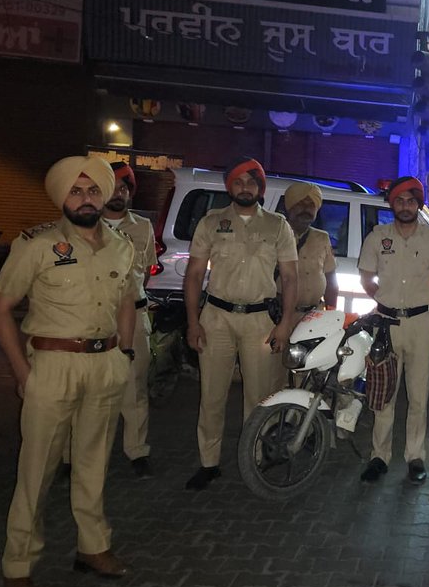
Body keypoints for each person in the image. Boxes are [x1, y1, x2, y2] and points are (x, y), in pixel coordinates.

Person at [0, 157, 137, 587]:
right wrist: (23, 373)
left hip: (104, 364)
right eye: (77, 192)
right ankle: (19, 567)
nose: (87, 199)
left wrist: (125, 353)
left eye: (94, 191)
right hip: (52, 365)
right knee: (37, 471)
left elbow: (129, 301)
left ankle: (93, 546)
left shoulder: (121, 245)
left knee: (94, 462)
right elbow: (0, 308)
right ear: (61, 198)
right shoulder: (37, 244)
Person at [183, 157, 299, 491]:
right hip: (216, 318)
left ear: (261, 188)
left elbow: (290, 278)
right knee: (212, 395)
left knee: (259, 396)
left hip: (260, 320)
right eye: (238, 182)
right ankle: (209, 463)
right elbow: (193, 274)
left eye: (251, 182)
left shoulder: (278, 226)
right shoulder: (211, 222)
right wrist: (193, 322)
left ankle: (255, 459)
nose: (245, 187)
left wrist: (285, 324)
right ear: (229, 187)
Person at [356, 176, 429, 484]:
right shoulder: (377, 236)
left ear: (419, 205)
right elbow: (367, 277)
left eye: (411, 201)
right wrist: (383, 301)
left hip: (421, 324)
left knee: (418, 394)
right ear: (392, 204)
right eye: (400, 201)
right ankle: (379, 456)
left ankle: (415, 456)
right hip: (386, 324)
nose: (406, 206)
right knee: (384, 393)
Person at [104, 162, 159, 478]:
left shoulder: (142, 227)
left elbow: (146, 272)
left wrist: (136, 300)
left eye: (124, 187)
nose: (119, 193)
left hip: (135, 315)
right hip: (97, 315)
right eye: (112, 186)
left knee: (134, 385)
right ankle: (73, 457)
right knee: (88, 386)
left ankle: (136, 451)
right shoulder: (86, 224)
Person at [281, 181, 339, 315]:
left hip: (314, 315)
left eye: (311, 205)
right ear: (290, 206)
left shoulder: (322, 238)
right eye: (301, 204)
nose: (306, 209)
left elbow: (331, 279)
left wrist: (331, 313)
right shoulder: (276, 235)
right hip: (280, 314)